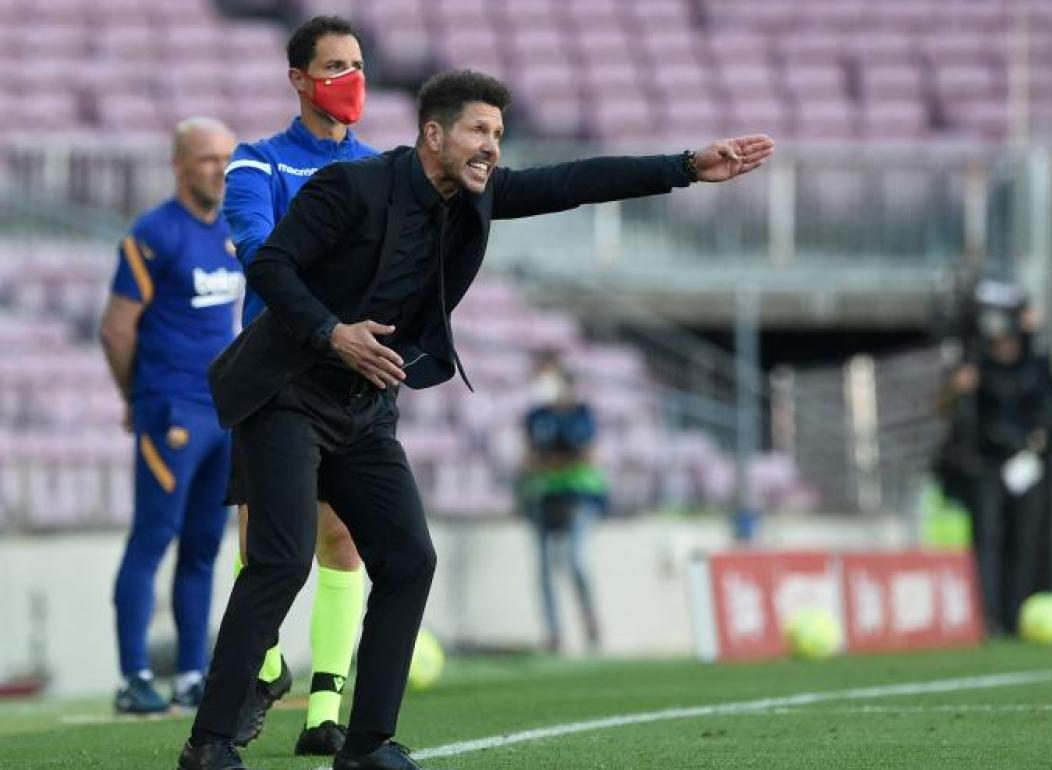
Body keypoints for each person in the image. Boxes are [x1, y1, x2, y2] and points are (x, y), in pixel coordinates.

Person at [176, 68, 774, 770]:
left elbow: (573, 181)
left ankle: (366, 747)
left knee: (408, 560)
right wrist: (334, 332)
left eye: (497, 132)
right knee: (280, 558)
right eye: (477, 130)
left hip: (364, 405)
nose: (491, 145)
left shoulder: (476, 199)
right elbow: (272, 267)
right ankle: (209, 743)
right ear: (433, 134)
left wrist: (684, 168)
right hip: (286, 390)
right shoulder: (351, 186)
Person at [220, 15, 377, 756]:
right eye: (334, 66)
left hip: (350, 379)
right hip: (278, 373)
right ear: (299, 79)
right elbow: (257, 249)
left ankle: (325, 710)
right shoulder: (257, 163)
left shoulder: (383, 168)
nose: (350, 79)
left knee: (341, 535)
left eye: (356, 64)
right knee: (267, 549)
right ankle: (268, 663)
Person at [99, 117, 242, 714]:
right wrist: (138, 398)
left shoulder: (235, 229)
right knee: (154, 536)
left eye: (226, 159)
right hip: (173, 408)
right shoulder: (153, 233)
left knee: (206, 544)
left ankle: (191, 673)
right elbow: (115, 328)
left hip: (224, 410)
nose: (219, 170)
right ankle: (134, 675)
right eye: (208, 159)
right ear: (180, 165)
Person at [940, 287, 1052, 634]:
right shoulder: (975, 365)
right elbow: (943, 410)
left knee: (1024, 542)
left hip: (1028, 462)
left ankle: (1015, 616)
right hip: (987, 463)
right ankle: (988, 618)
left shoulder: (1036, 364)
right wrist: (956, 390)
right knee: (986, 540)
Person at [519, 351, 606, 653]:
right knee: (543, 568)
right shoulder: (534, 417)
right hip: (544, 496)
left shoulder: (581, 413)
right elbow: (528, 460)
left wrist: (551, 460)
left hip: (579, 496)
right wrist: (557, 460)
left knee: (575, 561)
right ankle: (554, 634)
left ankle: (590, 622)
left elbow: (588, 455)